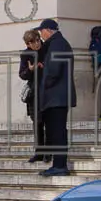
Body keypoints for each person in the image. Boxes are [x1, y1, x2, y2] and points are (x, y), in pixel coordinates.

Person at [35, 18, 76, 177]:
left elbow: (54, 70)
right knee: (55, 131)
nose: (41, 34)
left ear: (47, 30)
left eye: (41, 31)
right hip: (57, 96)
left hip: (56, 96)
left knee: (57, 131)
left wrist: (45, 85)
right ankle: (58, 165)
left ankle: (59, 165)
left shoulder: (57, 44)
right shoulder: (56, 44)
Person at [19, 29, 45, 163]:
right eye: (32, 42)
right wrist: (30, 70)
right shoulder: (26, 55)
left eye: (37, 40)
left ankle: (49, 152)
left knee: (49, 122)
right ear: (28, 44)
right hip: (34, 93)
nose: (36, 44)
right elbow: (22, 74)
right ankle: (39, 152)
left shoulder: (46, 49)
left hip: (47, 90)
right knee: (37, 123)